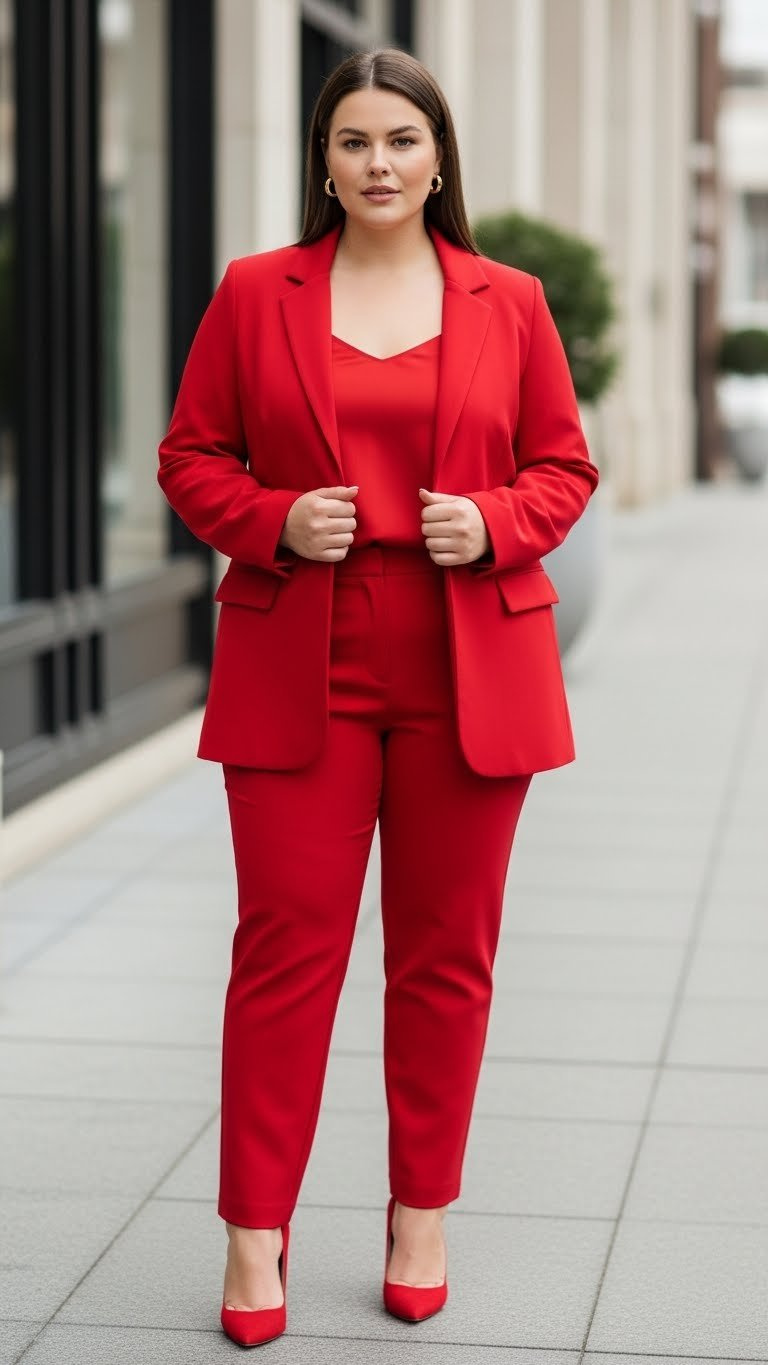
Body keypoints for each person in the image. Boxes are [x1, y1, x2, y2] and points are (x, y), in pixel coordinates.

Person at [157, 45, 599, 1349]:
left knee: (445, 958)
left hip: (470, 664)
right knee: (282, 954)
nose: (378, 162)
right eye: (353, 140)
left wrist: (500, 521)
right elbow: (192, 456)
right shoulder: (257, 292)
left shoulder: (511, 300)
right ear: (325, 161)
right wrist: (276, 518)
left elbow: (565, 465)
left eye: (401, 139)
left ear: (439, 157)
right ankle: (254, 1230)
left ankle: (421, 1214)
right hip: (302, 654)